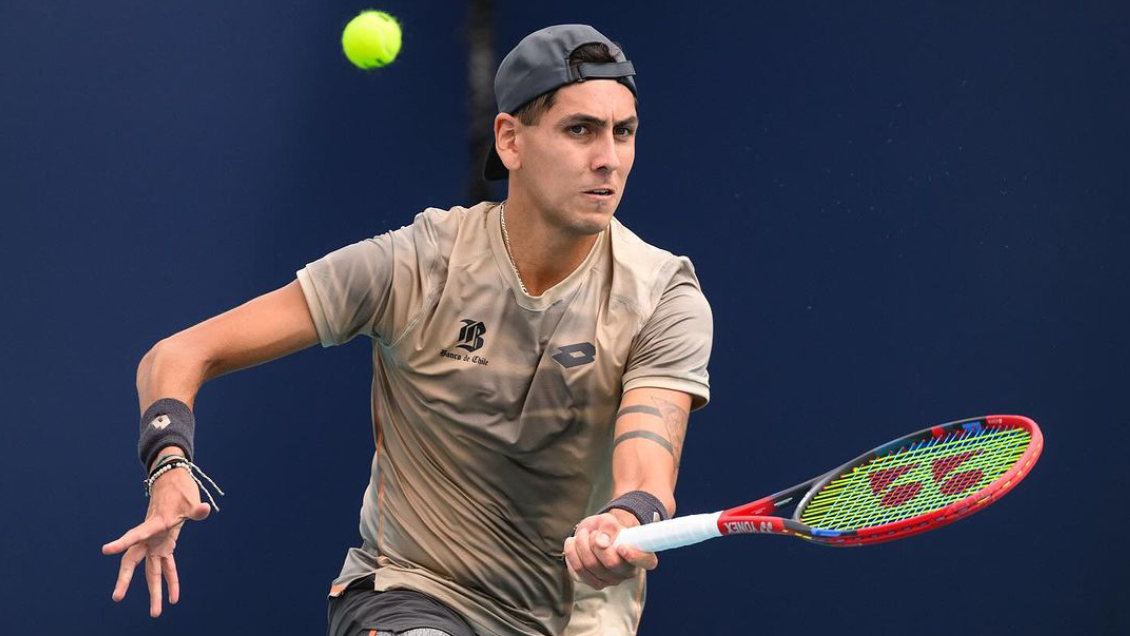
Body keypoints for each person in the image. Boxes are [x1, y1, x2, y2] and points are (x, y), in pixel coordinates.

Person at [102, 24, 712, 636]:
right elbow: (180, 353)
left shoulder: (662, 295)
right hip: (412, 591)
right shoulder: (415, 264)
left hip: (573, 617)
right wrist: (168, 462)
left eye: (623, 132)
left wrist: (627, 520)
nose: (608, 157)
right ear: (510, 141)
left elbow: (644, 476)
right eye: (579, 129)